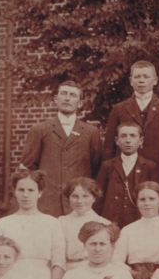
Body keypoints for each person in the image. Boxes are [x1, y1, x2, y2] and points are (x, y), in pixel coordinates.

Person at [19, 80, 103, 216]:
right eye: (64, 94)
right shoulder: (39, 130)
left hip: (79, 204)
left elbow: (96, 170)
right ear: (56, 99)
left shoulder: (91, 132)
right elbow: (28, 170)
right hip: (47, 203)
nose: (68, 98)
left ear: (80, 103)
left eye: (73, 95)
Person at [103, 60, 159, 180]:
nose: (141, 80)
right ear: (130, 80)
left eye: (146, 76)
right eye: (137, 76)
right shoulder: (119, 109)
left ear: (155, 80)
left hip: (157, 172)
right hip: (125, 172)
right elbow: (109, 146)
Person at [94, 122, 159, 229]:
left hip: (138, 224)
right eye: (123, 136)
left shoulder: (150, 167)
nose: (128, 140)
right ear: (117, 141)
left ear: (141, 140)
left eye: (133, 136)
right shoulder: (107, 166)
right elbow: (98, 197)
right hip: (111, 223)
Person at [58, 178, 111, 273]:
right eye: (75, 196)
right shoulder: (61, 222)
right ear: (68, 197)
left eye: (85, 196)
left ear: (94, 198)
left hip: (94, 271)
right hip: (66, 270)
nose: (80, 201)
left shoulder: (104, 223)